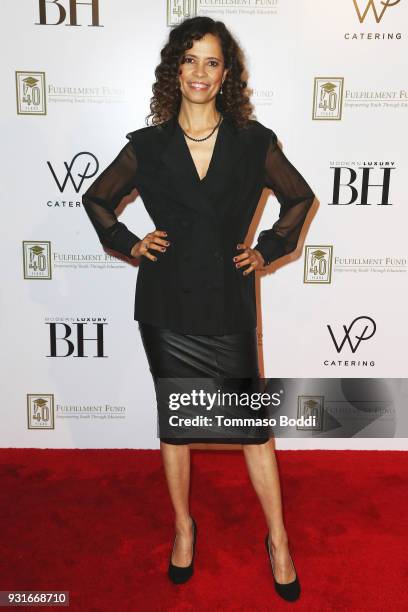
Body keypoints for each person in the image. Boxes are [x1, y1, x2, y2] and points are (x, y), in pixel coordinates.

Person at [81, 16, 315, 601]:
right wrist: (129, 242)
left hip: (228, 298)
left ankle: (278, 538)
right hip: (165, 302)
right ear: (174, 69)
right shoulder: (148, 145)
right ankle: (183, 527)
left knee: (252, 429)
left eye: (212, 61)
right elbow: (98, 198)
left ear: (226, 72)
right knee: (177, 424)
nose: (201, 72)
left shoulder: (253, 141)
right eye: (190, 60)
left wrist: (267, 251)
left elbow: (299, 198)